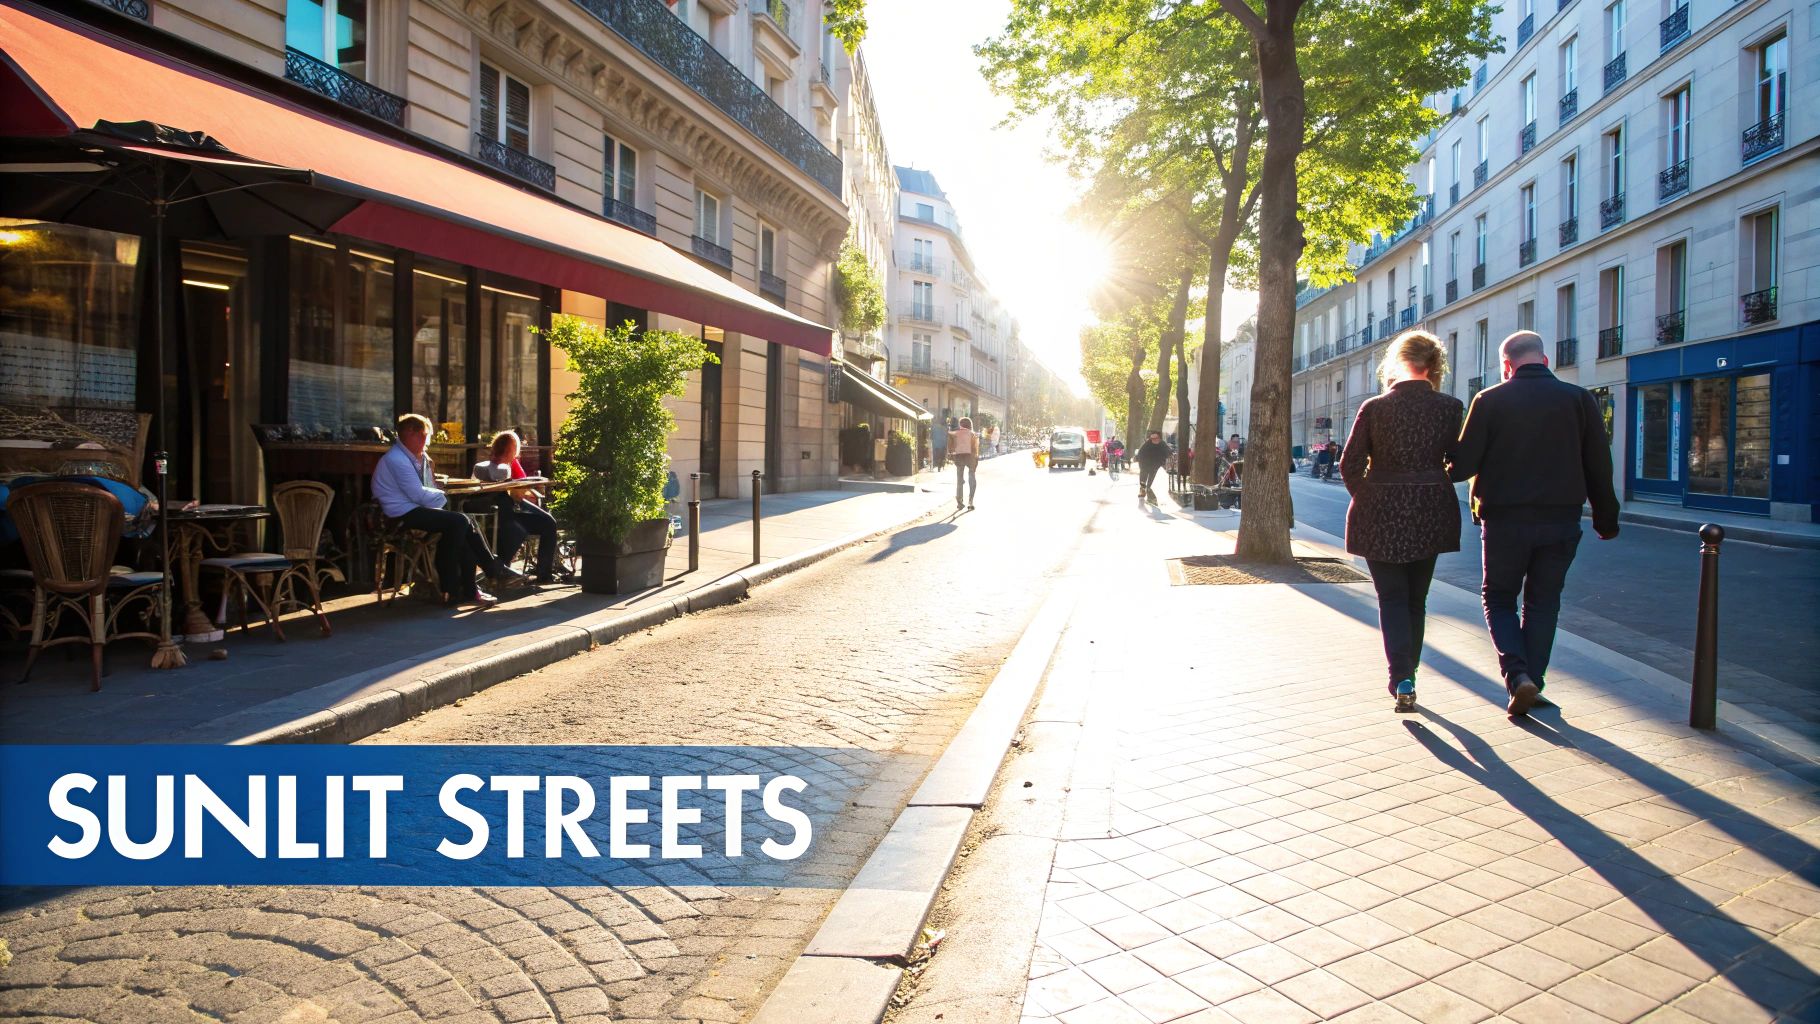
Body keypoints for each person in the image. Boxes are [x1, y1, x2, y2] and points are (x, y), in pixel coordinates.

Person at [1451, 330, 1619, 717]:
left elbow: (1463, 466)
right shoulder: (1578, 399)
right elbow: (1599, 463)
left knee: (1498, 598)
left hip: (1505, 519)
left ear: (1506, 366)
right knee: (1544, 602)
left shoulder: (1490, 400)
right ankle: (1533, 681)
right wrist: (1606, 519)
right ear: (1546, 361)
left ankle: (1517, 675)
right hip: (1561, 518)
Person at [1340, 332, 1464, 713]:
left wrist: (1370, 494)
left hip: (1381, 512)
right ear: (1435, 365)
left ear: (1396, 361)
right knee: (1416, 600)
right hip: (1430, 510)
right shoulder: (1450, 407)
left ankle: (1401, 678)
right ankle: (1409, 673)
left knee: (1391, 598)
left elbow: (1349, 465)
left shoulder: (1375, 407)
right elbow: (1458, 462)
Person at [373, 413, 524, 606]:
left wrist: (437, 491)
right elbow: (418, 494)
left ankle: (465, 589)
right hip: (398, 515)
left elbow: (426, 491)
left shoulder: (415, 458)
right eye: (425, 435)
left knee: (463, 526)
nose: (427, 441)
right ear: (412, 434)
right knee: (460, 522)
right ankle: (473, 580)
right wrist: (443, 495)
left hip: (413, 509)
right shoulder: (397, 459)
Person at [478, 430, 569, 585]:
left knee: (549, 522)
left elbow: (521, 483)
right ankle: (537, 574)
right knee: (545, 524)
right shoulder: (496, 468)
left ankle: (543, 573)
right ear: (510, 449)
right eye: (515, 448)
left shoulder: (510, 462)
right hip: (507, 511)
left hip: (514, 507)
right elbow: (515, 493)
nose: (517, 452)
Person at [949, 416, 980, 510]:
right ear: (970, 425)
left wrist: (954, 458)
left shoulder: (955, 434)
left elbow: (951, 448)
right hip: (970, 457)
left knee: (959, 480)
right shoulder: (973, 434)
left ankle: (959, 503)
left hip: (959, 456)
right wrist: (975, 463)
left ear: (960, 425)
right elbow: (976, 450)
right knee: (972, 478)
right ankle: (970, 502)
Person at [1135, 430, 1171, 505]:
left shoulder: (1162, 444)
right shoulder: (1147, 444)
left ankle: (1151, 497)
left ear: (1159, 438)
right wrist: (1138, 458)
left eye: (1156, 438)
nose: (1154, 440)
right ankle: (1142, 491)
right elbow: (1140, 453)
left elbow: (1168, 452)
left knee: (1151, 481)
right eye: (1152, 439)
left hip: (1155, 465)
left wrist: (1169, 454)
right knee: (1143, 479)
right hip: (1145, 464)